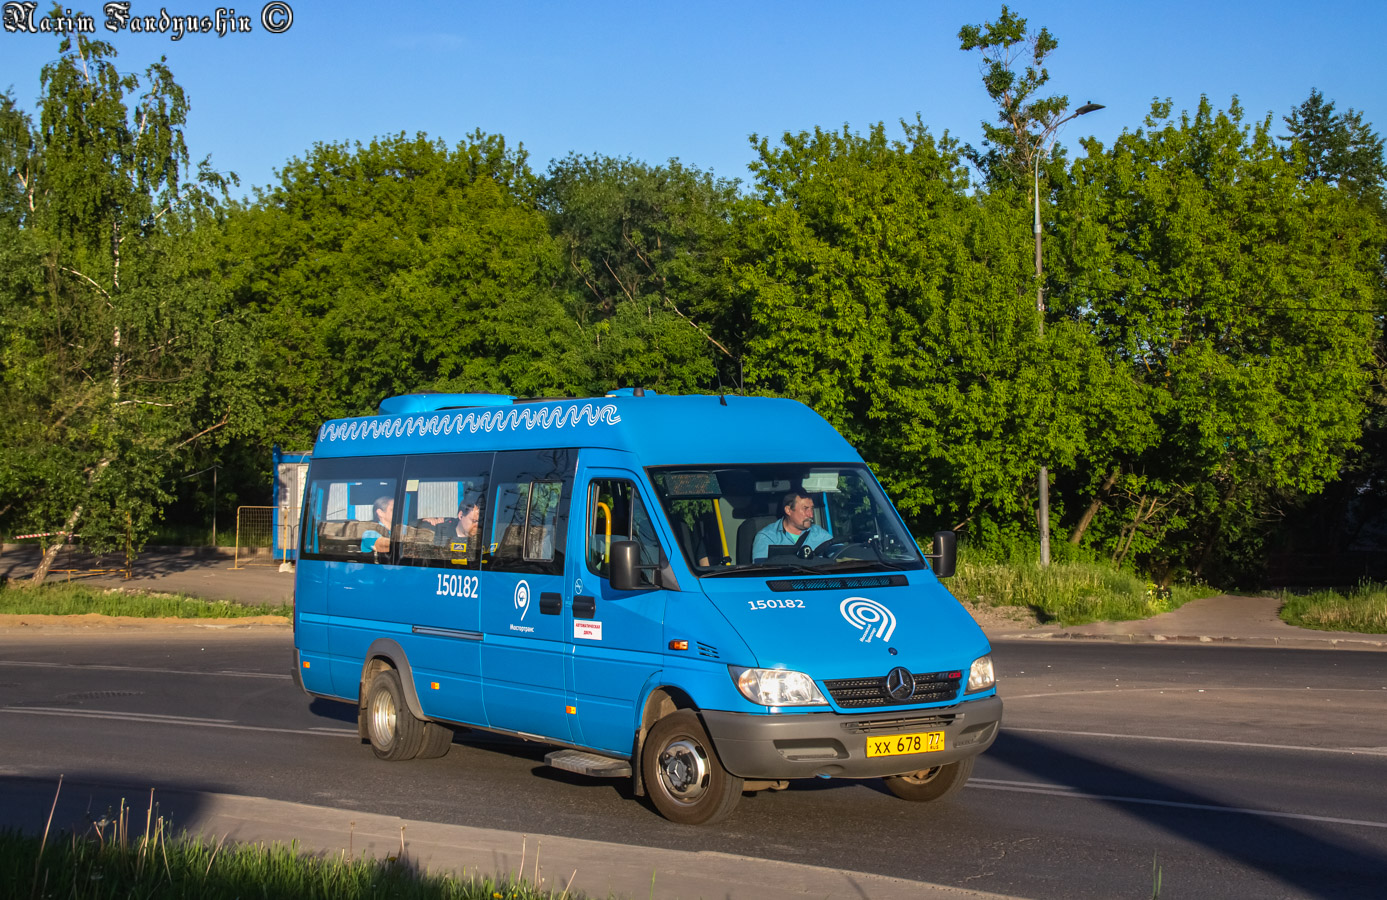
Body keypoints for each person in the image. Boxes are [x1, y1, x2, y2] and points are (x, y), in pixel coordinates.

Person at [752, 490, 831, 561]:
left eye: (812, 509)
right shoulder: (767, 537)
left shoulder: (819, 533)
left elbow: (840, 554)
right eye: (805, 508)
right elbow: (761, 571)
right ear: (788, 510)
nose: (811, 515)